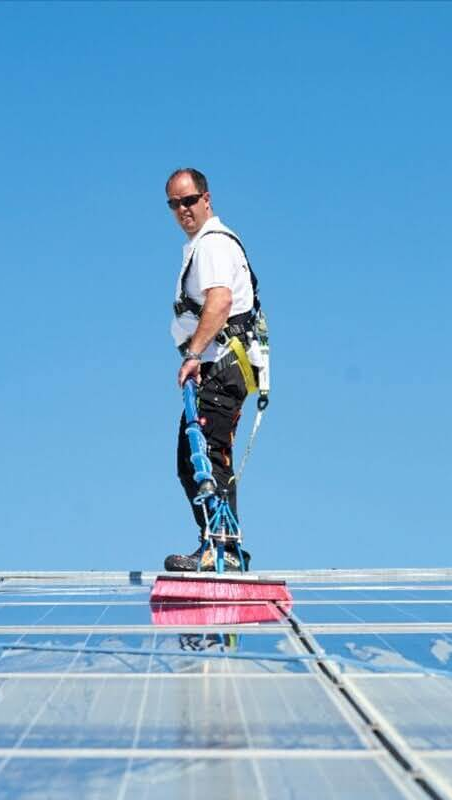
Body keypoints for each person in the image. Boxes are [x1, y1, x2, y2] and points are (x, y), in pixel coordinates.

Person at [164, 168, 262, 572]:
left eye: (189, 200)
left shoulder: (212, 245)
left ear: (206, 198)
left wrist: (194, 354)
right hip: (218, 366)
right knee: (194, 457)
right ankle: (217, 542)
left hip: (220, 365)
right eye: (174, 204)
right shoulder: (201, 246)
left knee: (206, 456)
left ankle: (222, 548)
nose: (183, 210)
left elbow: (219, 302)